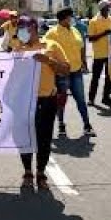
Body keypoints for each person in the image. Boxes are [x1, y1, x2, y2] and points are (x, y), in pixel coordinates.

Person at [14, 17, 70, 190]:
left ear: (34, 28)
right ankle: (28, 173)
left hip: (46, 100)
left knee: (44, 138)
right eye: (19, 28)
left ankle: (41, 173)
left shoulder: (51, 46)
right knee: (24, 138)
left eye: (24, 28)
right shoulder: (17, 49)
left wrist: (48, 61)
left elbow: (66, 68)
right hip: (23, 101)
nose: (21, 31)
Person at [44, 7, 95, 137]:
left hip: (77, 71)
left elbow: (81, 45)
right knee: (61, 101)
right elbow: (45, 51)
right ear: (65, 18)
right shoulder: (52, 33)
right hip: (61, 74)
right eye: (71, 17)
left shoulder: (75, 30)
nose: (73, 19)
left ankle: (87, 125)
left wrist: (83, 61)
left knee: (81, 100)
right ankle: (61, 126)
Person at [88, 0, 111, 107]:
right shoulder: (93, 21)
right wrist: (104, 33)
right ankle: (91, 99)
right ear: (102, 9)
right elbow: (91, 38)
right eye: (108, 7)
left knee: (109, 77)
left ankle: (106, 98)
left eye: (109, 7)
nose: (109, 9)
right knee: (95, 78)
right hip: (99, 54)